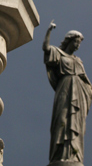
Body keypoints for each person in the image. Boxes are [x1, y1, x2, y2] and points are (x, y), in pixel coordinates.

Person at [43, 21, 92, 164]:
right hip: (65, 90)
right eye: (76, 42)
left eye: (79, 43)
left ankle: (74, 155)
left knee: (76, 124)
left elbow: (86, 81)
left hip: (79, 93)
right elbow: (46, 48)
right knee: (62, 120)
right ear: (69, 41)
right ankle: (59, 154)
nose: (77, 45)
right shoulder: (59, 54)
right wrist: (49, 31)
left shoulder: (78, 61)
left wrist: (88, 91)